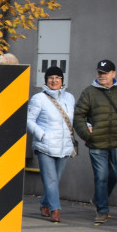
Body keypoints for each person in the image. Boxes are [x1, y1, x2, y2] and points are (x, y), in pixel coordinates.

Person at [73, 59, 117, 225]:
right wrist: (87, 135)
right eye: (100, 73)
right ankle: (102, 209)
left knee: (116, 174)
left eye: (105, 73)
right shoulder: (89, 92)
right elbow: (78, 115)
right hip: (97, 143)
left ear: (113, 74)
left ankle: (97, 198)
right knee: (101, 176)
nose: (102, 76)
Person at [26, 66, 75, 223]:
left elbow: (75, 118)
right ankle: (56, 210)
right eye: (51, 78)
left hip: (64, 145)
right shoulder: (38, 98)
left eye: (57, 78)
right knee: (51, 180)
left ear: (62, 80)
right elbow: (29, 120)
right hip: (45, 146)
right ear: (46, 80)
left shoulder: (70, 98)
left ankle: (44, 204)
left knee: (55, 179)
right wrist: (42, 135)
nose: (54, 80)